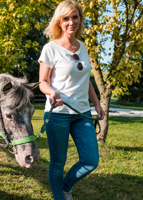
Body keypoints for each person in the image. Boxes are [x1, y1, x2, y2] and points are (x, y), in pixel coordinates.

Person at [38, 0, 105, 199]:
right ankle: (60, 196)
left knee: (91, 160)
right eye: (66, 18)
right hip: (58, 113)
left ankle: (65, 187)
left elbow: (86, 80)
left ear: (80, 19)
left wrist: (97, 103)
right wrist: (51, 92)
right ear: (59, 21)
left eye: (74, 17)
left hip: (82, 114)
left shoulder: (83, 47)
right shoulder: (50, 48)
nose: (71, 22)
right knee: (58, 162)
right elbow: (42, 81)